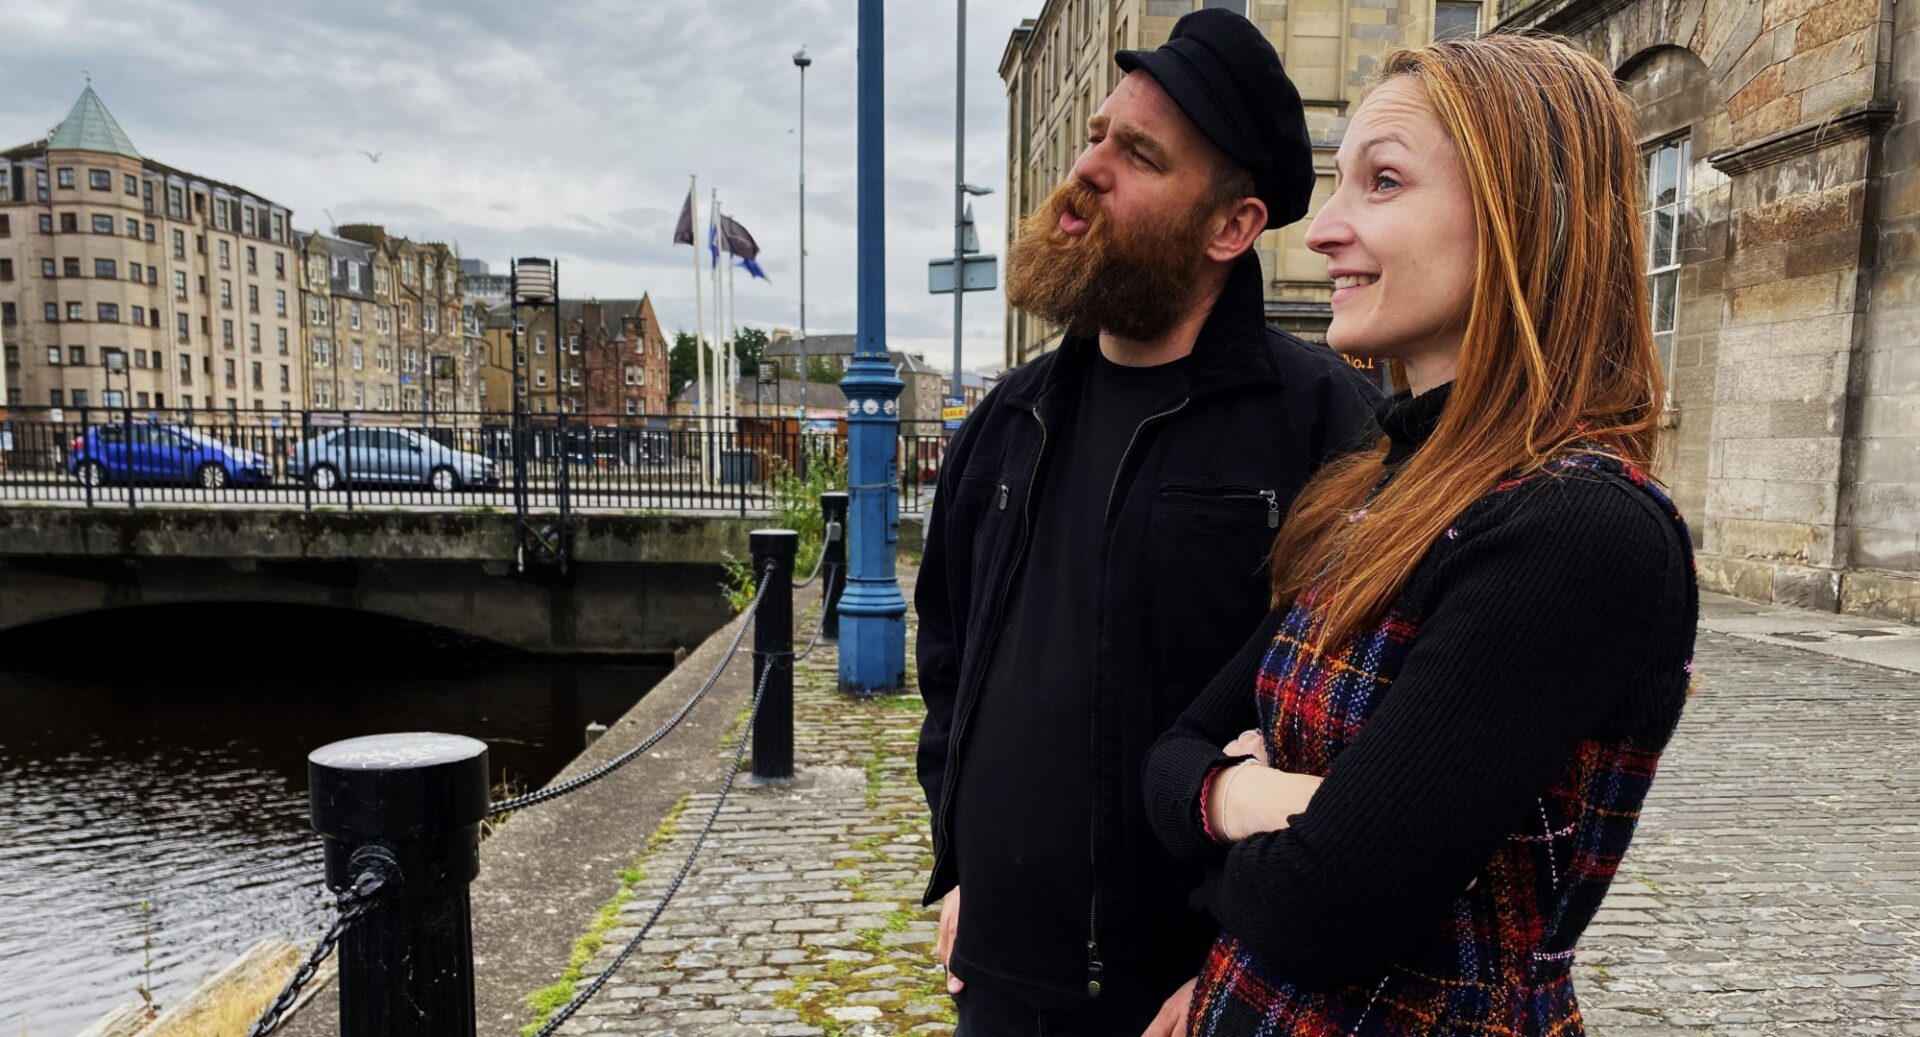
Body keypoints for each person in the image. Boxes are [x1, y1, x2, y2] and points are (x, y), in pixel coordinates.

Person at [1140, 33, 1700, 1037]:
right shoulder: (1372, 488)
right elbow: (1168, 756)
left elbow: (1323, 909)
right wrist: (1264, 798)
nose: (1324, 229)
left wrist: (1228, 803)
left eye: (1383, 181)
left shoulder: (1575, 528)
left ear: (1532, 215)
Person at [914, 10, 1381, 1036]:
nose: (1088, 170)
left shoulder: (1321, 425)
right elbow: (951, 656)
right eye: (1096, 134)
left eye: (1137, 154)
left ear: (1230, 226)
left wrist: (1244, 961)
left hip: (1184, 995)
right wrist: (957, 864)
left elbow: (1346, 727)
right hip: (996, 978)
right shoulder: (1010, 416)